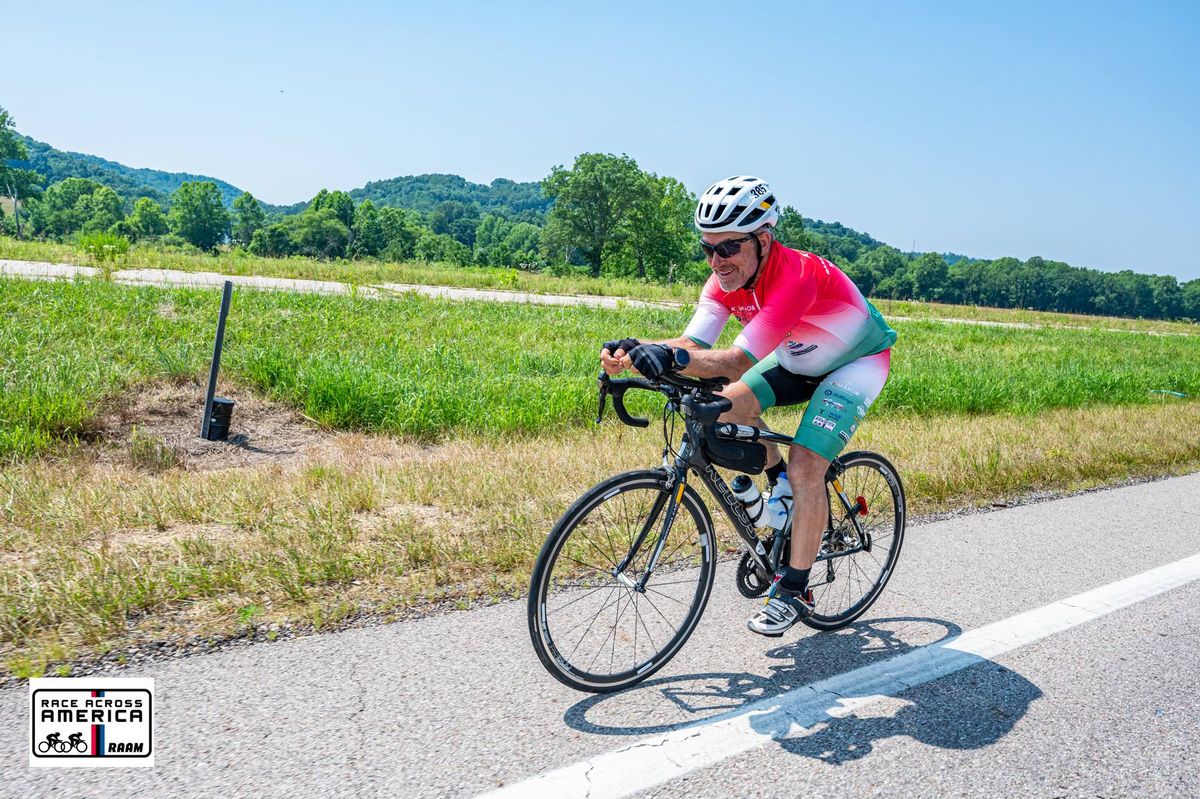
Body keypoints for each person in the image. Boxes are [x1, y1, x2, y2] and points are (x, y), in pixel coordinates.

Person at [601, 175, 896, 636]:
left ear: (763, 239)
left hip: (855, 363)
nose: (717, 261)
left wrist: (672, 357)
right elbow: (693, 343)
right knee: (724, 408)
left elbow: (735, 361)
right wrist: (637, 348)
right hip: (798, 358)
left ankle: (795, 588)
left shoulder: (795, 275)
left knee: (806, 464)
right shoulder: (725, 279)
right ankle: (781, 497)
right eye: (708, 249)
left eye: (728, 248)